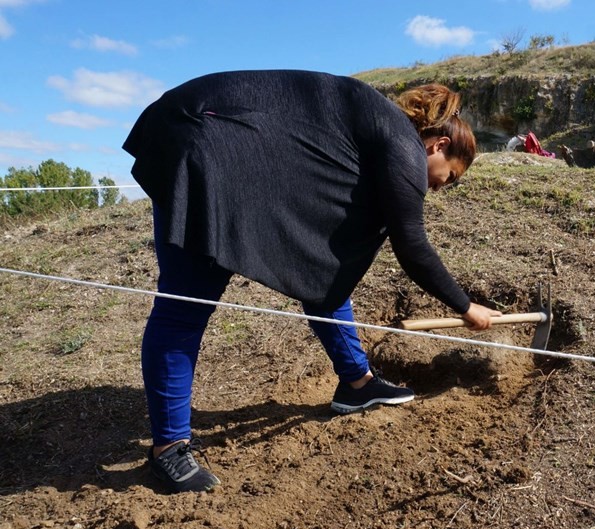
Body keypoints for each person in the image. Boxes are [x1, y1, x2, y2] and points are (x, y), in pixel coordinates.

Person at [123, 71, 502, 493]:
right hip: (207, 147)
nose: (435, 186)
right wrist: (467, 308)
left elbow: (326, 260)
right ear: (439, 146)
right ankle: (168, 449)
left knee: (323, 267)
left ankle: (357, 383)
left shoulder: (369, 132)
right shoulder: (404, 146)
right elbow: (411, 245)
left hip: (200, 132)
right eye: (446, 176)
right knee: (183, 310)